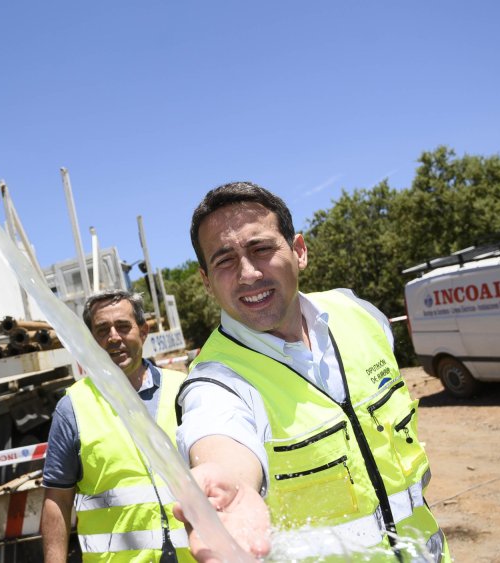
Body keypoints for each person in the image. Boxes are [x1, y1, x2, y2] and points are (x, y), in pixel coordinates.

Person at [176, 182, 447, 561]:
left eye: (262, 249)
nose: (249, 273)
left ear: (299, 251)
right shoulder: (216, 381)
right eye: (224, 261)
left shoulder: (361, 314)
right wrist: (231, 490)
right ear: (206, 281)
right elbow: (220, 440)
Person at [41, 290, 194, 563]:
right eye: (102, 331)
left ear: (143, 331)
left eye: (123, 326)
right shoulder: (73, 407)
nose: (113, 337)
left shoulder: (183, 390)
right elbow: (58, 501)